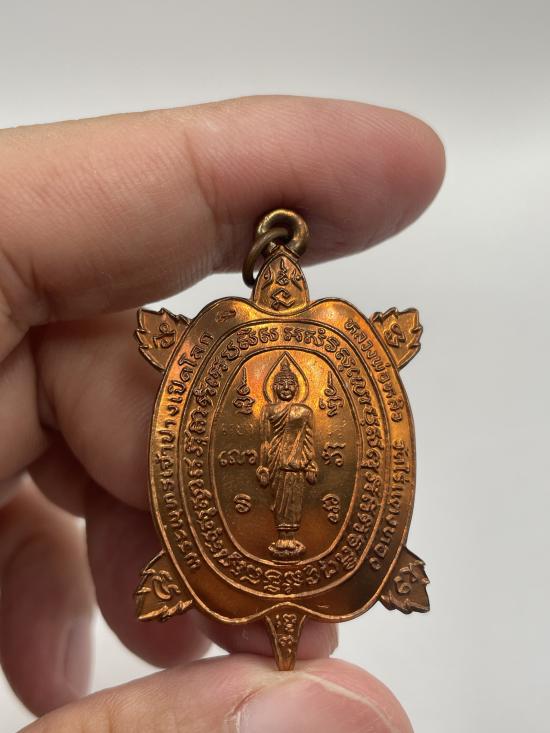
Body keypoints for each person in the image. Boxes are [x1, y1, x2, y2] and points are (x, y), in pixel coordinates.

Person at [0, 95, 444, 731]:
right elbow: (262, 433)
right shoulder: (269, 400)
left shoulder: (305, 403)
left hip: (298, 469)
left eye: (289, 388)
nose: (285, 392)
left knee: (292, 505)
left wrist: (292, 442)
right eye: (282, 389)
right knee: (272, 510)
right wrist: (268, 444)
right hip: (270, 468)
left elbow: (317, 444)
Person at [257, 357, 318, 558]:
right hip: (276, 463)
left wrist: (310, 464)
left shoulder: (304, 412)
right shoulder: (268, 410)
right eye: (281, 384)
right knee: (279, 501)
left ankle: (290, 539)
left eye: (290, 384)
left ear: (297, 387)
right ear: (274, 387)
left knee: (294, 500)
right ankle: (282, 539)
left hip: (296, 464)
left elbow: (309, 440)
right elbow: (265, 441)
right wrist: (263, 467)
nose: (285, 388)